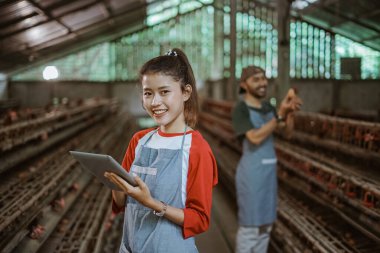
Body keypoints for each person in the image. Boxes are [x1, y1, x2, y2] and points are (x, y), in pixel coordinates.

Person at [104, 48, 218, 253]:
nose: (155, 102)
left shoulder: (196, 148)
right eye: (148, 93)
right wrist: (113, 181)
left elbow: (200, 219)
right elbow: (120, 201)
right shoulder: (139, 140)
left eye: (164, 92)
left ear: (186, 92)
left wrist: (152, 203)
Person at [231, 65, 302, 253]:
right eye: (256, 79)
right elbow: (254, 137)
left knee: (265, 228)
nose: (263, 83)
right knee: (250, 229)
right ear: (244, 85)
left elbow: (287, 133)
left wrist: (289, 113)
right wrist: (279, 115)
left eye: (263, 78)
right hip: (251, 175)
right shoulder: (240, 109)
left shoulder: (267, 106)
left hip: (268, 175)